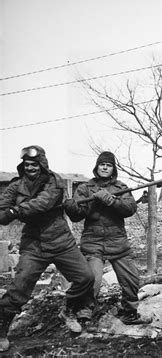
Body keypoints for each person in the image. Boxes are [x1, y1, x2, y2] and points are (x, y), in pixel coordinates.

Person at [0, 145, 94, 352]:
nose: (31, 168)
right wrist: (7, 212)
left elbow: (43, 203)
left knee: (85, 277)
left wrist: (16, 210)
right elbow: (2, 210)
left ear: (42, 164)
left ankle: (68, 310)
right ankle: (1, 330)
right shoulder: (16, 186)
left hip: (60, 241)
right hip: (33, 245)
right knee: (18, 289)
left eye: (34, 164)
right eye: (27, 164)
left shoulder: (54, 182)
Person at [63, 151, 145, 325]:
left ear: (113, 169)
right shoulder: (85, 188)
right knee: (92, 279)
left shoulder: (121, 187)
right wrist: (71, 208)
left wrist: (111, 201)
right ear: (97, 167)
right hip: (93, 243)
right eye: (102, 164)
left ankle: (129, 312)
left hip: (118, 242)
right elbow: (78, 215)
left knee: (131, 279)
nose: (105, 167)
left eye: (109, 165)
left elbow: (130, 209)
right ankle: (84, 313)